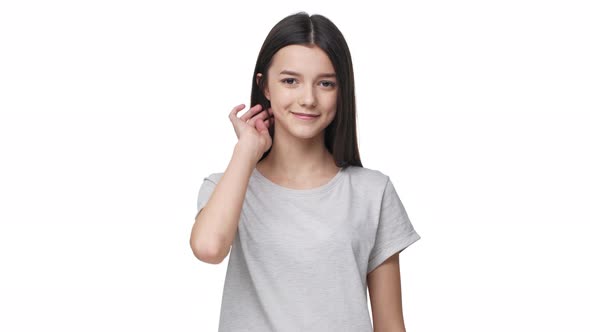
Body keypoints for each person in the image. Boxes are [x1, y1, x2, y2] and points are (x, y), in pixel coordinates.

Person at [190, 11, 421, 332]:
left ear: (342, 90)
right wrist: (245, 150)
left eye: (325, 83)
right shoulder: (228, 186)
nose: (308, 98)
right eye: (290, 81)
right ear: (265, 86)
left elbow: (390, 325)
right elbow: (209, 248)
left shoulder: (373, 192)